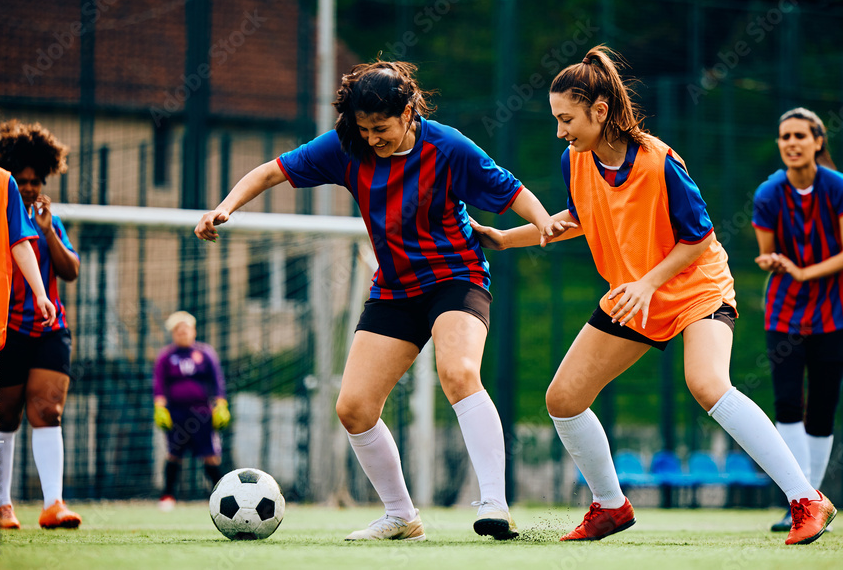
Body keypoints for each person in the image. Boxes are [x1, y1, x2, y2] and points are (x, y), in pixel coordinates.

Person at [471, 46, 836, 545]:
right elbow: (581, 217)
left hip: (695, 289)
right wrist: (504, 238)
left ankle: (807, 499)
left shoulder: (659, 162)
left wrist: (646, 283)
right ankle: (610, 506)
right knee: (564, 399)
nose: (559, 131)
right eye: (556, 120)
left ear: (600, 111)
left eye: (566, 119)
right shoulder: (574, 160)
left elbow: (699, 238)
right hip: (635, 295)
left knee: (707, 383)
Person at [195, 59, 570, 541]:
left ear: (409, 112)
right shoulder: (345, 146)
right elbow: (272, 172)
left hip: (457, 277)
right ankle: (401, 517)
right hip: (395, 288)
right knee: (353, 407)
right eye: (364, 128)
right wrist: (224, 207)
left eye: (381, 128)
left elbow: (512, 189)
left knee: (459, 372)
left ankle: (495, 504)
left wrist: (543, 221)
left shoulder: (448, 147)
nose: (372, 139)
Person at [752, 107, 843, 533]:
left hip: (835, 313)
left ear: (818, 141)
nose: (792, 143)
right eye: (785, 137)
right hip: (785, 314)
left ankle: (813, 505)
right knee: (786, 405)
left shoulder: (840, 187)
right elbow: (767, 252)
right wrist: (772, 262)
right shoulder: (768, 193)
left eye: (800, 135)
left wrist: (803, 272)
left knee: (822, 408)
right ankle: (799, 503)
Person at [0, 119, 82, 529]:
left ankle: (53, 504)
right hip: (4, 330)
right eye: (21, 181)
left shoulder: (50, 222)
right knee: (3, 417)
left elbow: (71, 271)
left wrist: (48, 233)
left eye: (34, 181)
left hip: (49, 329)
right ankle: (2, 506)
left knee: (49, 411)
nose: (27, 188)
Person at [0, 94, 57, 528]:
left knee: (0, 417)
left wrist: (40, 294)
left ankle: (3, 505)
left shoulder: (1, 183)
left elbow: (20, 242)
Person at [153, 310, 230, 511]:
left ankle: (224, 496)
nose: (183, 333)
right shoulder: (166, 356)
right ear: (173, 333)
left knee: (210, 455)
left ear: (194, 331)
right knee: (173, 454)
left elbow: (217, 380)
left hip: (202, 414)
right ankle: (167, 496)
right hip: (176, 413)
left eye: (186, 329)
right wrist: (159, 407)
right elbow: (159, 384)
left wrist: (221, 404)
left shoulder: (205, 353)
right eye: (178, 330)